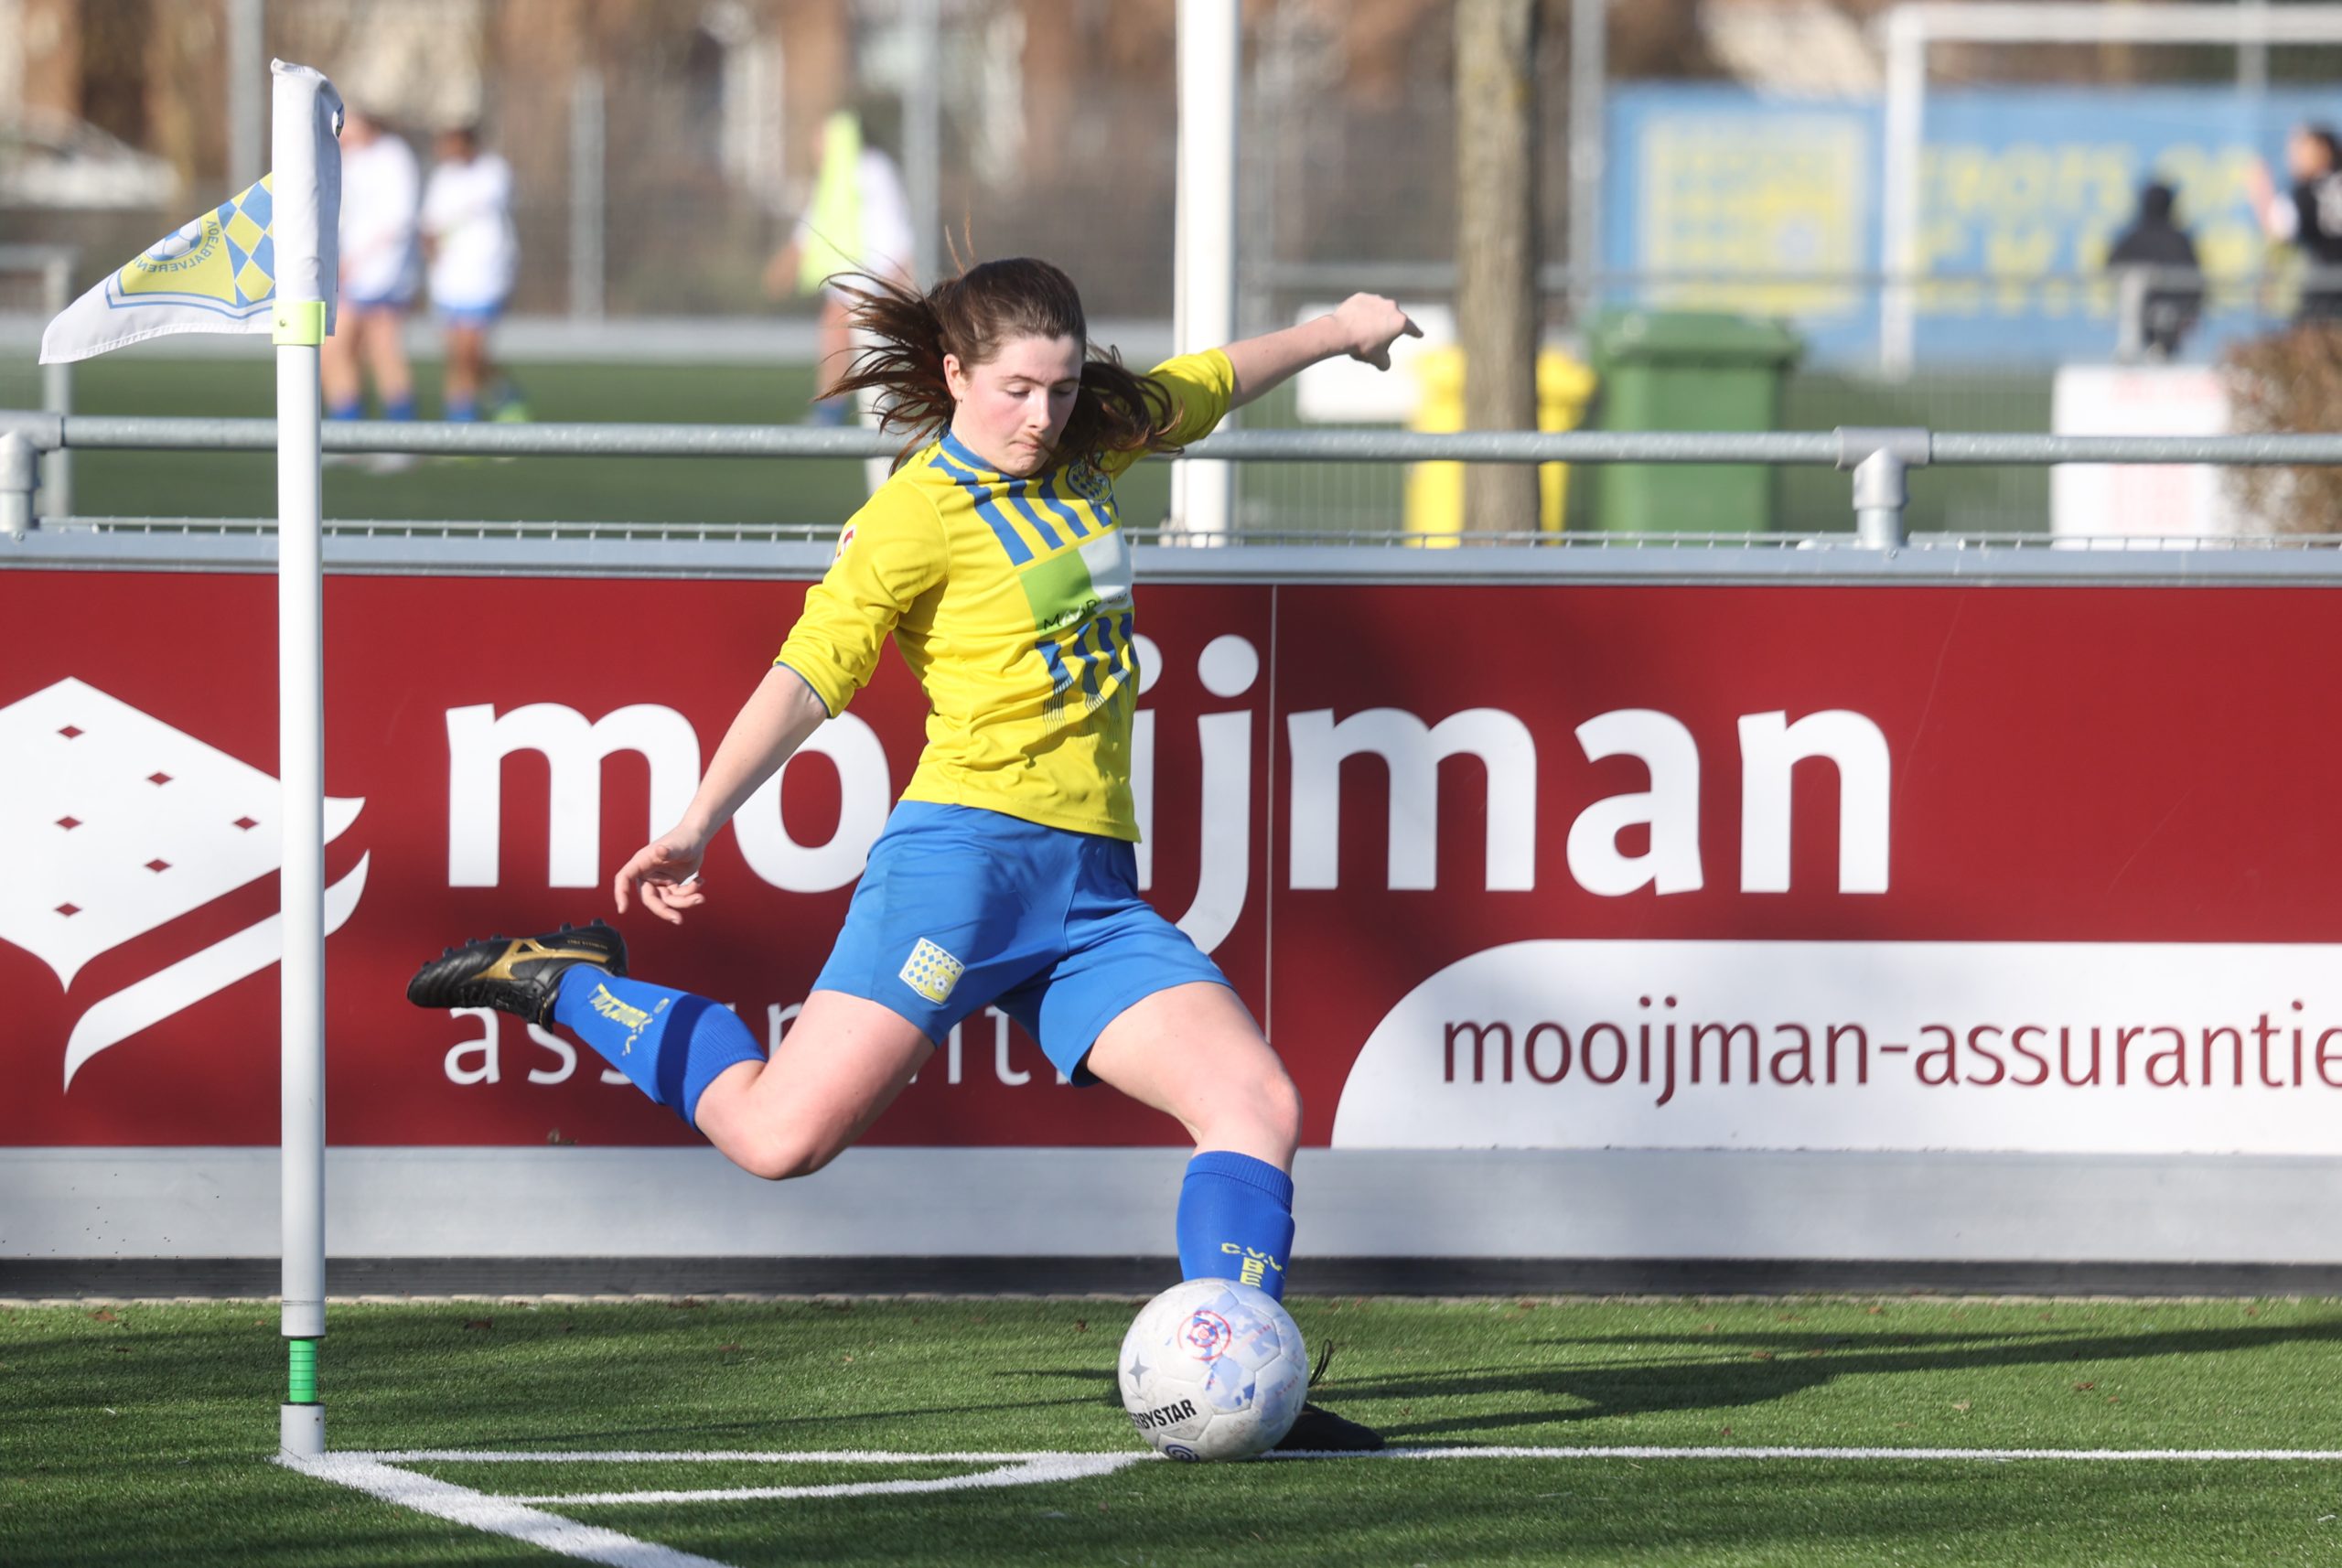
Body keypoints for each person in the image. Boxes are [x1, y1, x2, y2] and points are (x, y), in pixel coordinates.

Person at [408, 257, 1419, 1451]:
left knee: (1254, 1102)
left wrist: (1339, 327)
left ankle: (1238, 1377)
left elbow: (1212, 380)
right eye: (1015, 389)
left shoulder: (1090, 447)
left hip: (1090, 891)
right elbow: (808, 674)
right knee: (779, 1139)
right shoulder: (915, 513)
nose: (1040, 415)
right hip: (966, 870)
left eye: (1060, 387)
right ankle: (569, 980)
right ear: (953, 373)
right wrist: (697, 819)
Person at [763, 109, 917, 429]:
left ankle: (876, 419)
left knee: (873, 349)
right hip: (851, 280)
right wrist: (784, 269)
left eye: (820, 140)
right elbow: (810, 231)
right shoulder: (834, 178)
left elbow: (894, 227)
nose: (815, 148)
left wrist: (897, 273)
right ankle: (834, 414)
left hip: (874, 277)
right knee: (840, 340)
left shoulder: (872, 170)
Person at [322, 107, 420, 435]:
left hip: (380, 273)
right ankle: (354, 435)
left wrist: (355, 261)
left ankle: (395, 438)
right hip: (353, 272)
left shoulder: (392, 155)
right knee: (347, 352)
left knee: (375, 350)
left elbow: (398, 220)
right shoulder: (350, 160)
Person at [420, 123, 524, 421]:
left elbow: (480, 209)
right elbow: (430, 225)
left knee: (468, 350)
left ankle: (468, 419)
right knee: (458, 355)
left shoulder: (493, 172)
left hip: (485, 277)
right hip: (448, 280)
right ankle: (492, 402)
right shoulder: (442, 179)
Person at [2248, 124, 2342, 321]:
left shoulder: (2307, 190)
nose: (2294, 157)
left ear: (2322, 149)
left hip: (2324, 297)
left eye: (2301, 149)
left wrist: (2261, 193)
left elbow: (2279, 231)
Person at [2106, 181, 2203, 360]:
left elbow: (2194, 284)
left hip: (2170, 317)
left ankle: (2151, 350)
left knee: (2162, 315)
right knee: (2134, 284)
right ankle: (2134, 349)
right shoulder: (2177, 240)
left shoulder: (2136, 236)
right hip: (2140, 317)